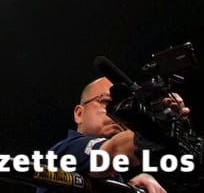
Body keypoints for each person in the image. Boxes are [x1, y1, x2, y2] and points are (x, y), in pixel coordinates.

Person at [45, 77, 191, 193]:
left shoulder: (113, 173)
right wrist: (158, 123)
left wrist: (130, 188)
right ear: (79, 113)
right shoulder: (66, 150)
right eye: (106, 102)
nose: (115, 113)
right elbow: (113, 150)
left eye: (123, 107)